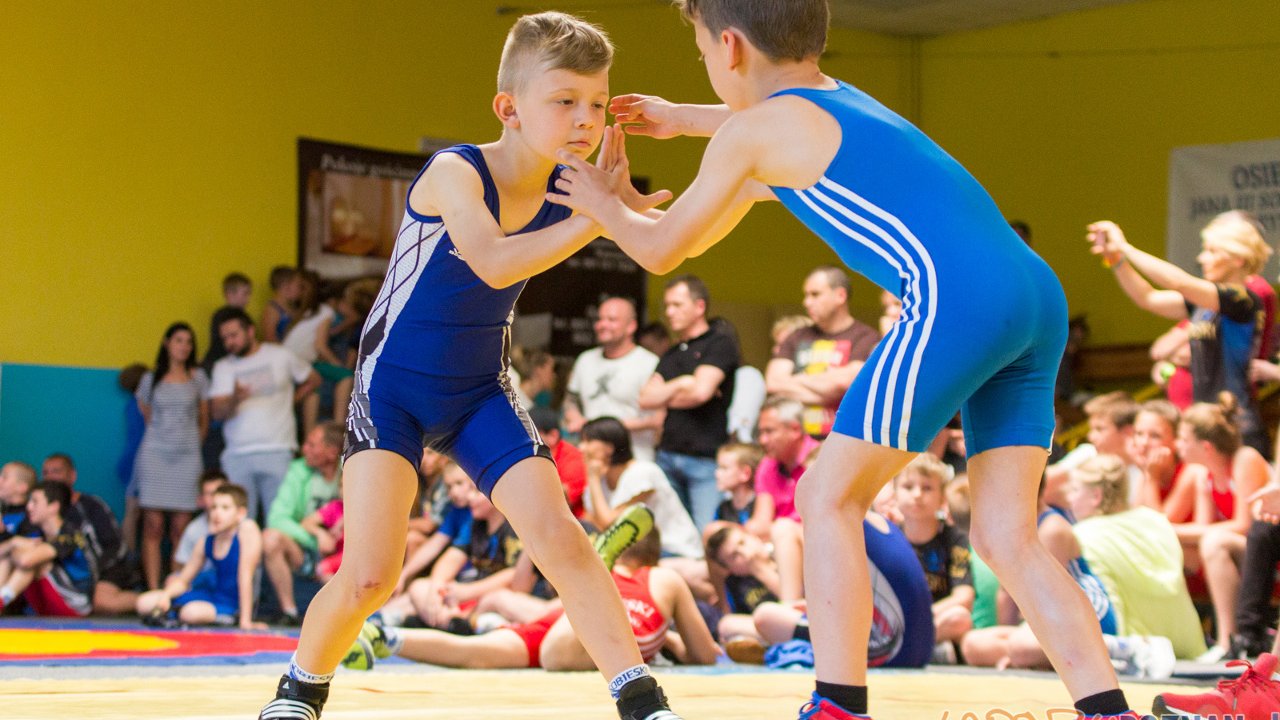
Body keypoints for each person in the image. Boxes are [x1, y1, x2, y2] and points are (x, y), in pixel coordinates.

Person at [544, 1, 1142, 716]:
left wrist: (601, 202)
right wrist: (682, 118)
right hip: (1033, 293)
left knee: (827, 496)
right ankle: (1108, 709)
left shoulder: (758, 133)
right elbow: (750, 168)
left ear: (728, 48)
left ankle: (838, 704)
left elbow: (667, 249)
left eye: (702, 49)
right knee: (1005, 534)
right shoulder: (841, 103)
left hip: (959, 301)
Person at [256, 12, 681, 720]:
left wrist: (715, 187)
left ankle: (641, 700)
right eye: (565, 100)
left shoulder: (574, 187)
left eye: (598, 104)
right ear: (508, 109)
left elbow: (662, 246)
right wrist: (600, 216)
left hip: (480, 391)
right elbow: (490, 261)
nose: (586, 118)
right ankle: (299, 688)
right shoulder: (457, 170)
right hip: (390, 388)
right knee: (370, 576)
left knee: (563, 540)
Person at [344, 529, 718, 673]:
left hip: (570, 624)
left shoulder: (659, 578)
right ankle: (384, 639)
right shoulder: (663, 579)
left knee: (478, 653)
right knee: (496, 656)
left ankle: (389, 638)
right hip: (589, 630)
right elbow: (704, 654)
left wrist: (667, 641)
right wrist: (667, 640)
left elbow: (697, 654)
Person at [1088, 211, 1271, 457]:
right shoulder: (1202, 304)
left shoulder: (1244, 300)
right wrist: (1117, 259)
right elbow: (1148, 298)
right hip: (1204, 425)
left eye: (1211, 251)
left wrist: (1125, 247)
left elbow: (1180, 282)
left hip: (1237, 430)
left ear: (1237, 259)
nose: (1201, 258)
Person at [1067, 455, 1207, 661]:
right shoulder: (1154, 520)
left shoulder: (1081, 535)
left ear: (1096, 495)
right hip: (1189, 644)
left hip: (1139, 649)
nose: (1069, 498)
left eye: (1075, 490)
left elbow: (1105, 604)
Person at [1173, 398, 1269, 662]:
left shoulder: (1244, 459)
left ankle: (1230, 639)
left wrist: (1170, 529)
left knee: (1214, 542)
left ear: (1205, 446)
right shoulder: (1204, 474)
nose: (1176, 445)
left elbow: (1244, 525)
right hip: (1245, 551)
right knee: (1190, 547)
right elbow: (1203, 528)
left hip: (1267, 551)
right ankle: (1184, 635)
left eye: (1182, 439)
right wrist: (1167, 533)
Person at [640, 275, 739, 531]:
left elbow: (700, 393)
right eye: (667, 306)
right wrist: (683, 382)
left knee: (706, 535)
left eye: (677, 305)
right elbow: (646, 398)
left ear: (699, 307)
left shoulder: (720, 343)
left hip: (704, 460)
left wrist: (670, 391)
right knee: (671, 537)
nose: (669, 312)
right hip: (667, 456)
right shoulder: (673, 353)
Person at [210, 308, 321, 522]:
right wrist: (235, 398)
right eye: (225, 338)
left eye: (233, 335)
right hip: (237, 455)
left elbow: (313, 379)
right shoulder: (222, 367)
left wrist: (292, 400)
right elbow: (217, 412)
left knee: (280, 522)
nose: (229, 342)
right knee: (237, 526)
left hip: (278, 450)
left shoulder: (280, 355)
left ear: (250, 331)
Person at [134, 321, 209, 590]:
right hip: (155, 455)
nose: (184, 347)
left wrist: (188, 443)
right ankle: (154, 590)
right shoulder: (149, 379)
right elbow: (147, 414)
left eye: (189, 342)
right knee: (152, 525)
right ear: (167, 343)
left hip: (188, 457)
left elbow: (204, 420)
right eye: (179, 340)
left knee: (181, 526)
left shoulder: (198, 378)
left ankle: (174, 589)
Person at [766, 266, 878, 438]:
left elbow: (847, 382)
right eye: (806, 295)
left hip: (843, 439)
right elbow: (774, 382)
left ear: (840, 295)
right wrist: (828, 390)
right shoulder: (796, 336)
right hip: (799, 443)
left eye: (815, 294)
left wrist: (796, 380)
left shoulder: (866, 337)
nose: (807, 302)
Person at [136, 483, 263, 629]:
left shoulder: (247, 531)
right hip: (209, 595)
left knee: (190, 612)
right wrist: (166, 595)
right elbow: (184, 580)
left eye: (225, 508)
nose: (217, 513)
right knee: (144, 602)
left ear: (241, 513)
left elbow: (245, 576)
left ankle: (180, 614)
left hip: (231, 603)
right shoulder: (206, 540)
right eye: (214, 507)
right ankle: (174, 613)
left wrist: (245, 620)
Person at [260, 422, 344, 625]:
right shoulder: (298, 471)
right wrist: (317, 537)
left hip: (348, 548)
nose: (304, 449)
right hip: (307, 550)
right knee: (270, 538)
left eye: (312, 445)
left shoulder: (352, 471)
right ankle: (290, 612)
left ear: (332, 452)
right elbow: (277, 519)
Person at [563, 296, 663, 461]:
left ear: (631, 326)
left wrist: (606, 430)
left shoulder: (650, 363)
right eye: (600, 319)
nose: (603, 325)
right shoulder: (585, 360)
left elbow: (659, 419)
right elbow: (570, 400)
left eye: (612, 320)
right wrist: (576, 418)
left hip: (635, 461)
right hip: (591, 460)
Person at [893, 454, 973, 658]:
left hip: (935, 619)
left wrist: (919, 619)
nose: (917, 494)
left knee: (959, 618)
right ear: (894, 493)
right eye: (908, 487)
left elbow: (964, 598)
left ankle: (908, 647)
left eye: (927, 488)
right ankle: (920, 648)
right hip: (895, 620)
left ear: (942, 498)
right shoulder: (888, 536)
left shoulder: (955, 539)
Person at [41, 453, 139, 614]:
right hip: (73, 575)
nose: (50, 477)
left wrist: (95, 574)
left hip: (107, 568)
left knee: (102, 602)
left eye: (56, 471)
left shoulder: (92, 506)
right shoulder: (40, 511)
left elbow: (116, 546)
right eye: (46, 473)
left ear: (72, 476)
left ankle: (151, 601)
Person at [0, 482, 98, 617]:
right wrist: (12, 543)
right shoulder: (36, 532)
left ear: (53, 507)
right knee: (8, 556)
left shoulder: (71, 534)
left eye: (35, 502)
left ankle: (1, 601)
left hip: (76, 604)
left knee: (36, 562)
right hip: (48, 604)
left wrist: (15, 547)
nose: (29, 507)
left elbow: (25, 560)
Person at [262, 266, 301, 344]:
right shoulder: (272, 310)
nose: (300, 290)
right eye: (298, 285)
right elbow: (269, 339)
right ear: (286, 286)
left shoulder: (292, 306)